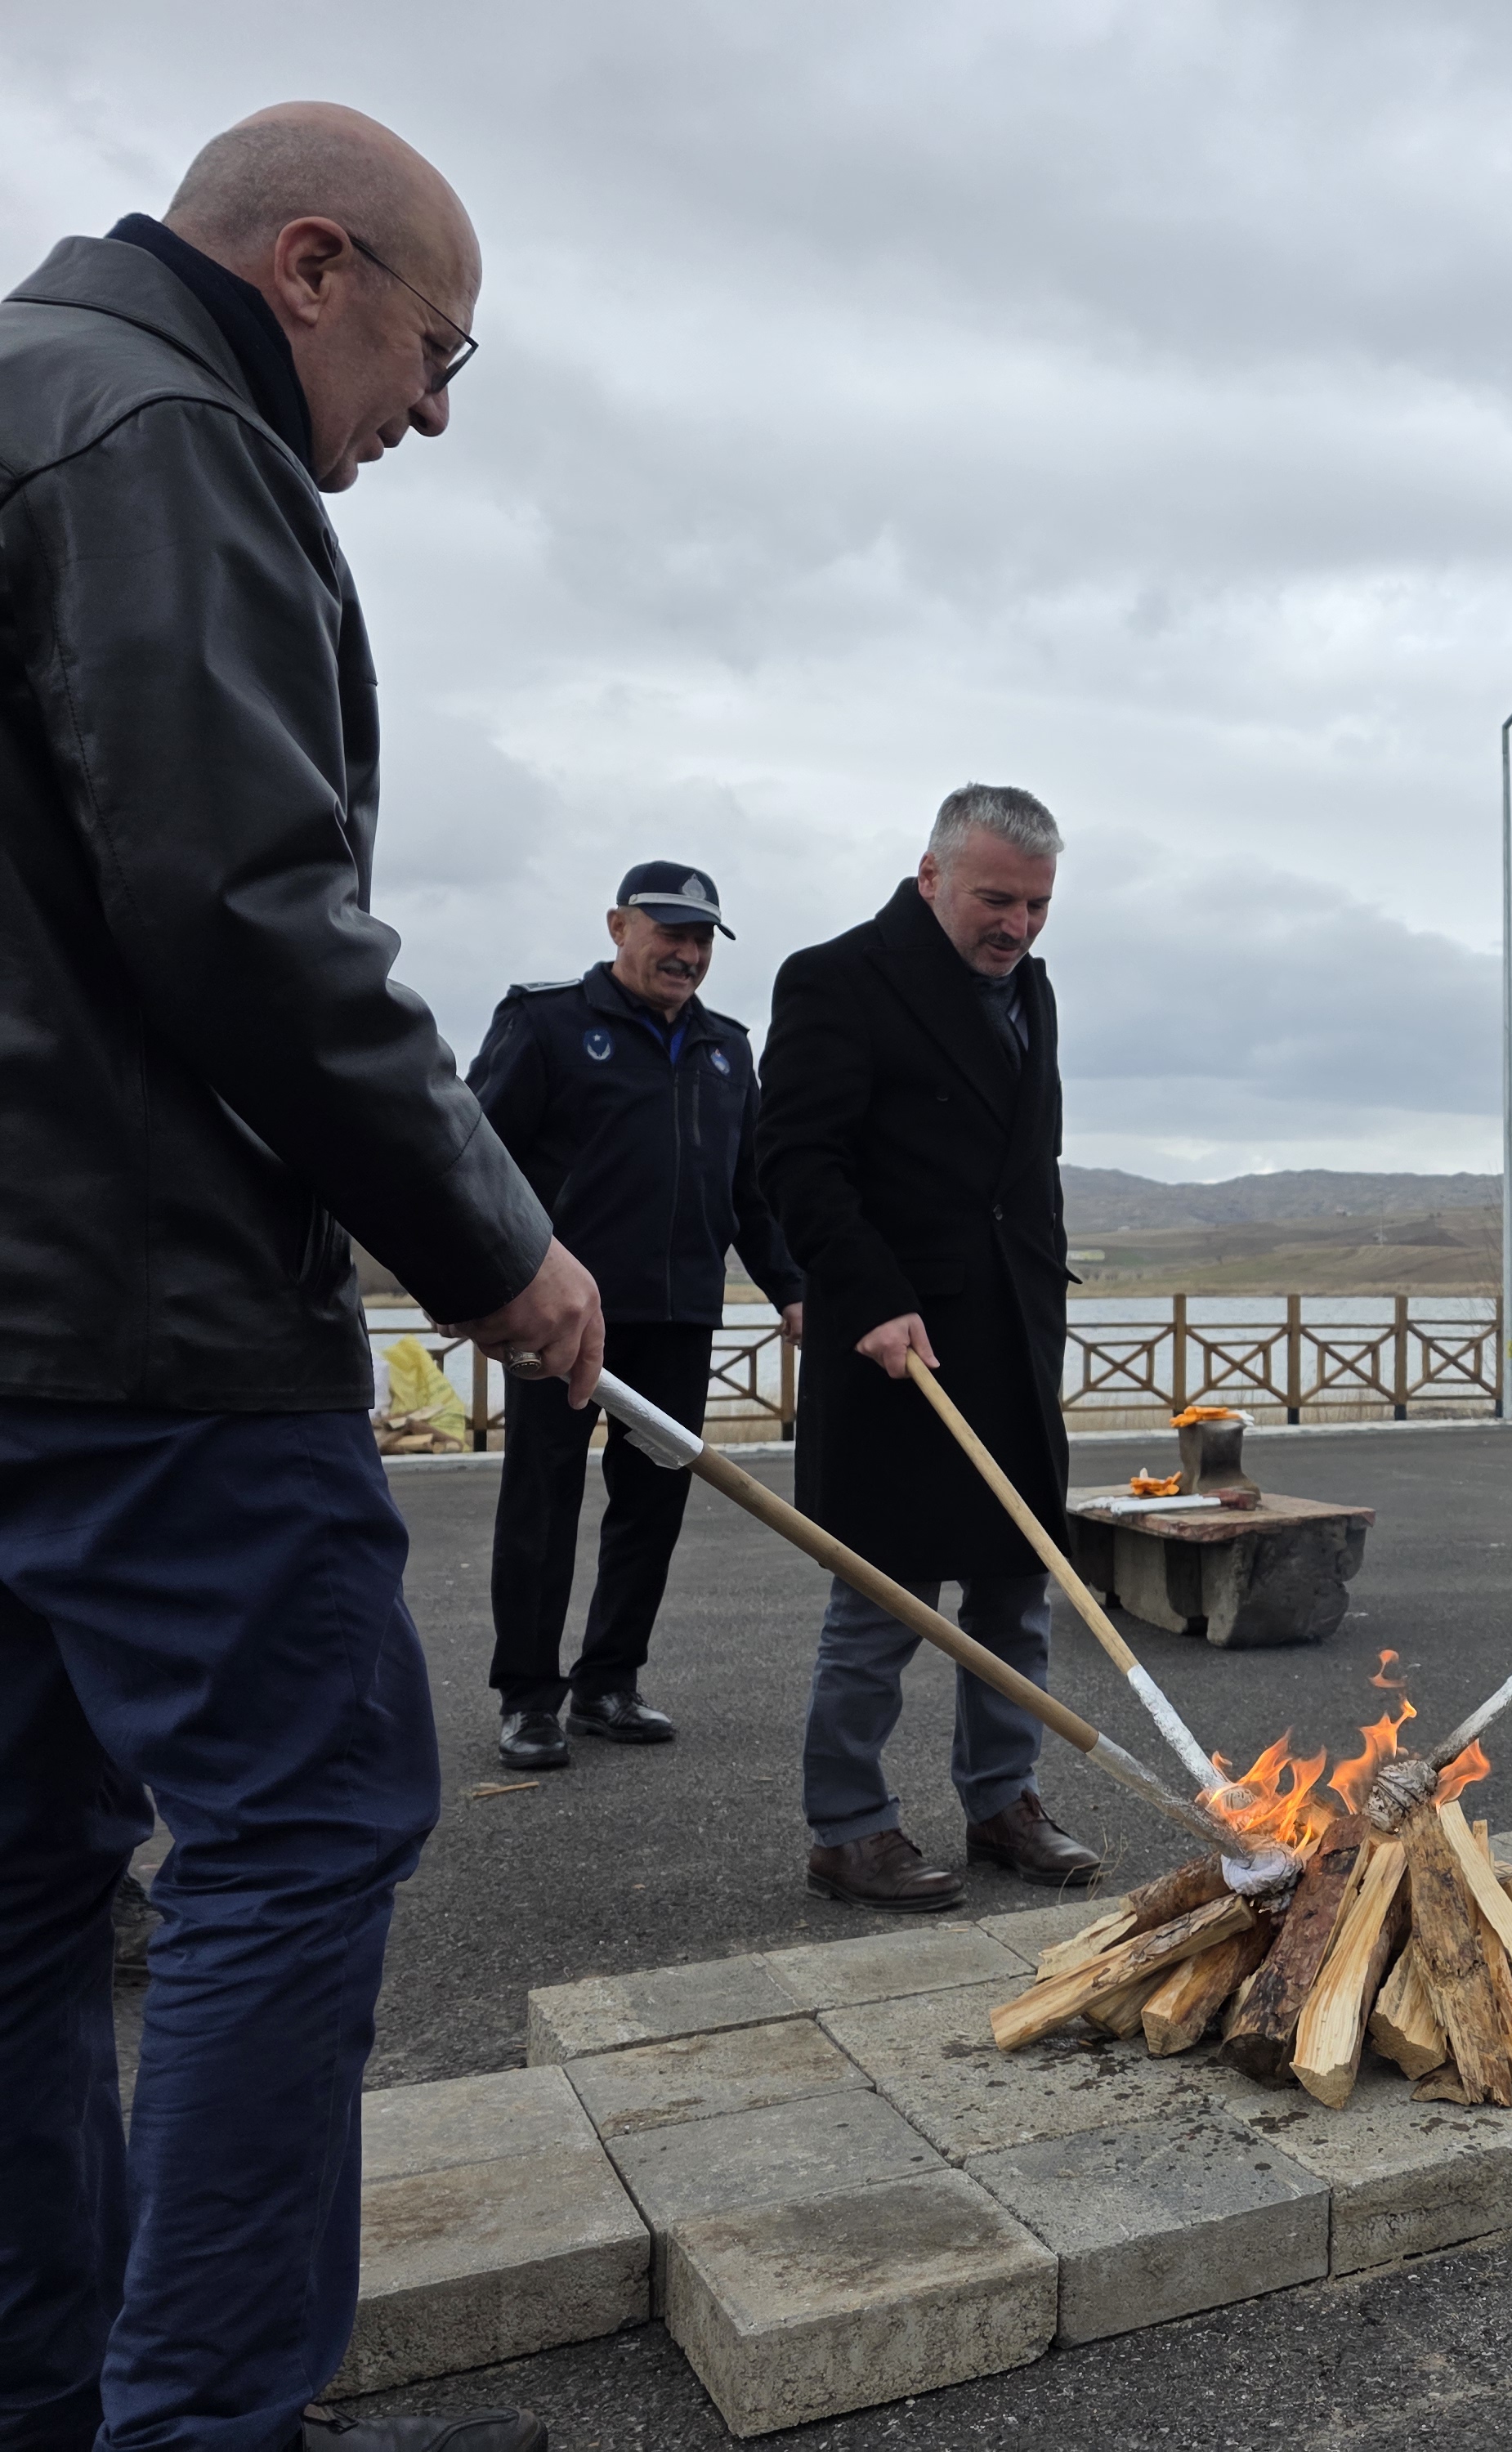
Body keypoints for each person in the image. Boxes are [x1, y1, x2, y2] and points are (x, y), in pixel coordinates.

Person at [0, 106, 593, 2452]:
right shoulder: (158, 429)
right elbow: (246, 913)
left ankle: (54, 2391)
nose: (431, 415)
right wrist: (496, 1242)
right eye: (436, 355)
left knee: (30, 1885)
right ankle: (213, 2417)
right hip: (134, 1312)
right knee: (299, 1826)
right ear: (311, 266)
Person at [760, 787, 1101, 1911]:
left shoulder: (1033, 990)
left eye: (1038, 905)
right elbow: (800, 1164)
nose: (1016, 926)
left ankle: (1005, 1800)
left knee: (1015, 1589)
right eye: (995, 899)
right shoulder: (837, 979)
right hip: (893, 1340)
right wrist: (865, 1297)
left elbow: (1022, 1175)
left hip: (1008, 1333)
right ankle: (849, 1828)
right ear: (931, 876)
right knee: (885, 1597)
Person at [468, 866, 805, 1770]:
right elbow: (472, 1157)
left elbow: (752, 1194)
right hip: (560, 1315)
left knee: (652, 1504)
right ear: (619, 925)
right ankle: (530, 1698)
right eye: (670, 932)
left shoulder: (728, 1049)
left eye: (702, 940)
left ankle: (609, 1683)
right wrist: (487, 1281)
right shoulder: (545, 1024)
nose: (687, 953)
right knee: (543, 1500)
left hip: (679, 1315)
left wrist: (792, 1288)